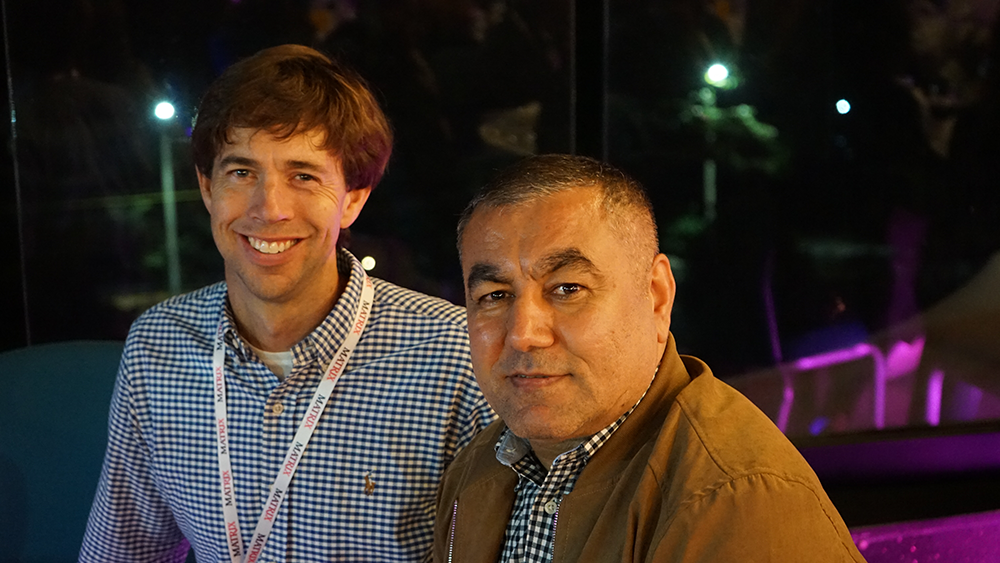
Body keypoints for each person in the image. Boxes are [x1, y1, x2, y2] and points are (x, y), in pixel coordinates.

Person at [79, 44, 495, 563]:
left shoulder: (456, 355)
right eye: (241, 173)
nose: (269, 209)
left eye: (303, 175)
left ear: (354, 198)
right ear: (207, 189)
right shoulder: (159, 344)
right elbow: (125, 551)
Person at [433, 154, 867, 562]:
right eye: (494, 296)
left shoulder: (736, 496)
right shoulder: (482, 463)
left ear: (657, 297)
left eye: (568, 289)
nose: (523, 334)